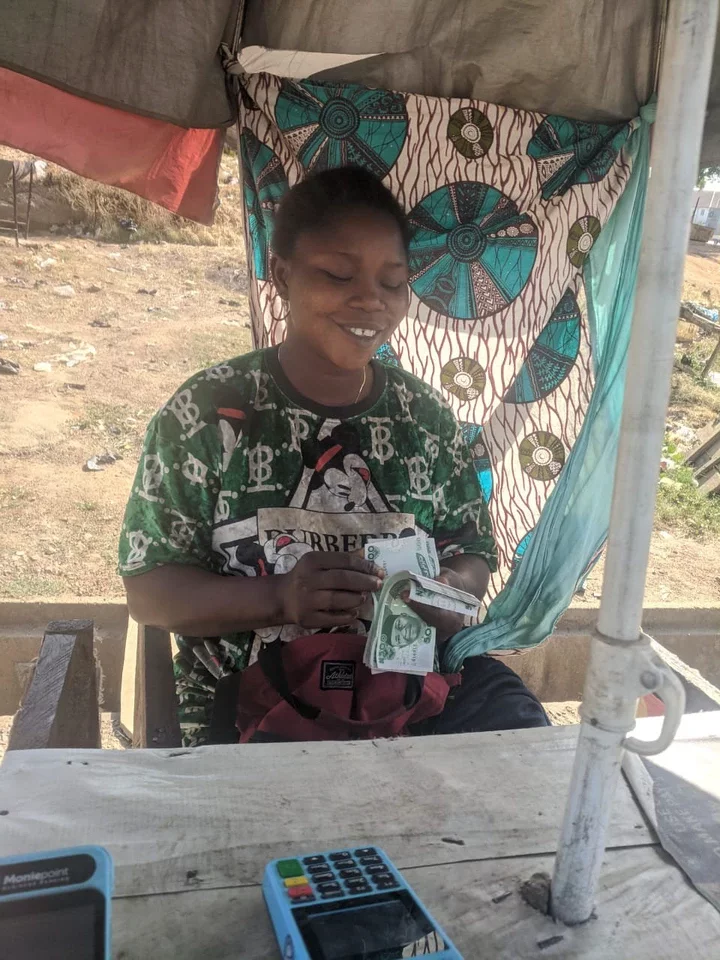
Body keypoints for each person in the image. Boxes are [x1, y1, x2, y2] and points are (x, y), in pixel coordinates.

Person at [118, 166, 547, 746]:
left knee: (523, 743)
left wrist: (447, 593)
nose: (370, 300)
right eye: (339, 274)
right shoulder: (211, 413)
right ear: (281, 275)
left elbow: (471, 549)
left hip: (408, 691)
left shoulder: (425, 419)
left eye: (393, 282)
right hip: (253, 703)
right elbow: (151, 591)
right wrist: (279, 598)